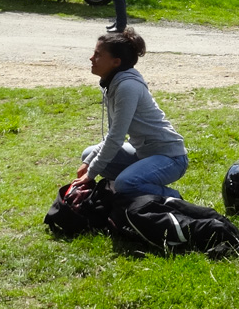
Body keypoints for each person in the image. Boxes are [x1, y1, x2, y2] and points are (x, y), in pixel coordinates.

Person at [75, 28, 188, 200]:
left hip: (171, 158)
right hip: (143, 153)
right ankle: (129, 196)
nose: (91, 58)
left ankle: (174, 199)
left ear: (116, 62)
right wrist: (88, 162)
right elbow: (112, 136)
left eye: (98, 54)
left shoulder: (127, 87)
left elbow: (116, 138)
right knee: (88, 155)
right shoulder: (112, 83)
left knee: (125, 183)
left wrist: (91, 173)